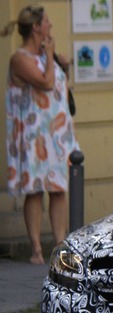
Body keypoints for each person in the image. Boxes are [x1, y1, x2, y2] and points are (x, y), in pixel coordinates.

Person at [2, 5, 79, 264]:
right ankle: (36, 250)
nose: (50, 26)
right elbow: (45, 83)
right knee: (35, 191)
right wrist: (49, 56)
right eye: (46, 22)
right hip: (34, 136)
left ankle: (59, 248)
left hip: (56, 135)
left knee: (58, 189)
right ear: (36, 27)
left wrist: (63, 67)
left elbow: (58, 88)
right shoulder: (20, 58)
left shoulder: (48, 55)